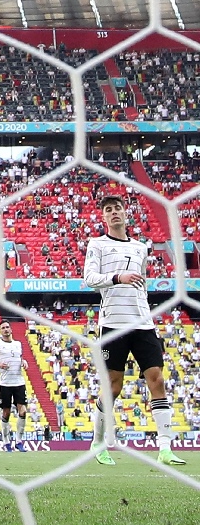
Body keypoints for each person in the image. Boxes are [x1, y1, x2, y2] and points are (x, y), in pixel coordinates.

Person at [82, 194, 186, 466]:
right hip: (113, 324)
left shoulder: (140, 247)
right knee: (113, 387)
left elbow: (142, 282)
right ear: (103, 217)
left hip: (142, 322)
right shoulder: (97, 244)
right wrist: (118, 278)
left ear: (125, 214)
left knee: (157, 379)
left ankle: (165, 448)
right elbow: (89, 279)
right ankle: (98, 442)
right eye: (108, 210)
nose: (114, 212)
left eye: (117, 208)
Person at [0, 321, 29, 451]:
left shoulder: (18, 344)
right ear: (0, 331)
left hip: (19, 382)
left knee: (23, 411)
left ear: (11, 329)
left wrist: (24, 362)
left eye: (7, 327)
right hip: (5, 384)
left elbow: (19, 358)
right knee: (6, 413)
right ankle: (6, 442)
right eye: (2, 328)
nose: (5, 329)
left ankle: (19, 441)